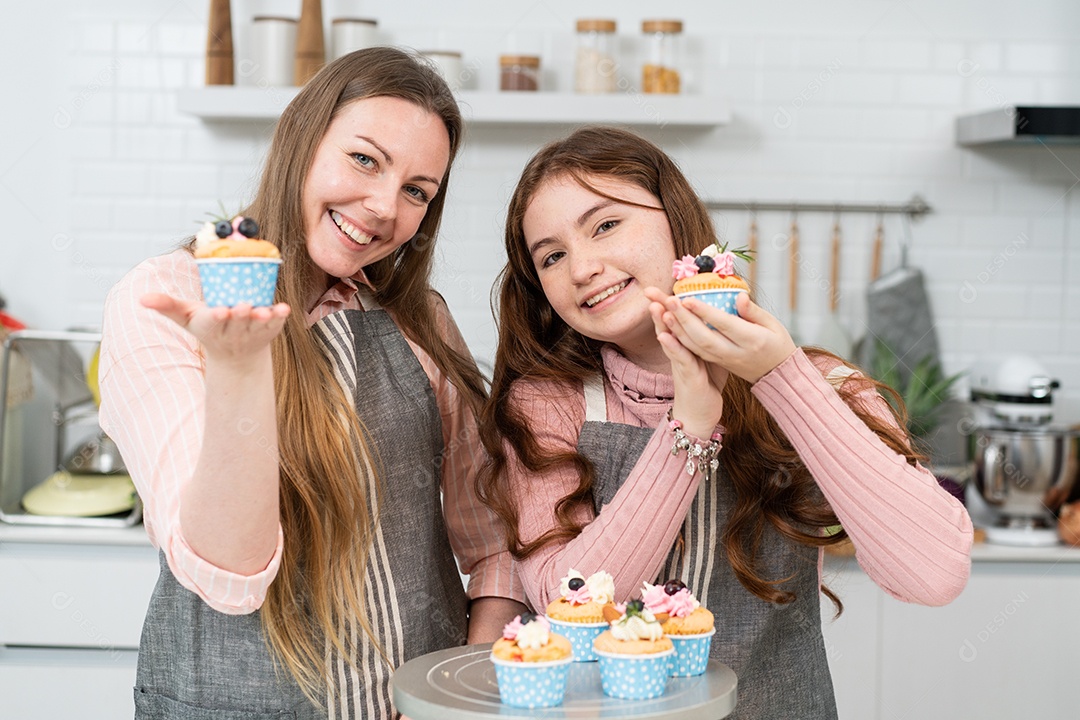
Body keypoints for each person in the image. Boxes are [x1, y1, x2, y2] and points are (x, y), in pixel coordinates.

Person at [477, 126, 973, 719]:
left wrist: (781, 378)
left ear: (676, 222)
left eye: (605, 225)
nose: (581, 267)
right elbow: (567, 603)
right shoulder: (547, 405)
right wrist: (688, 426)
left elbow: (933, 575)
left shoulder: (820, 383)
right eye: (552, 256)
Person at [98, 47, 526, 719]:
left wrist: (464, 685)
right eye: (364, 159)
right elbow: (229, 572)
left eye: (417, 191)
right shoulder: (166, 299)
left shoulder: (420, 318)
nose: (384, 207)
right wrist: (240, 367)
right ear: (301, 137)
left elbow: (495, 541)